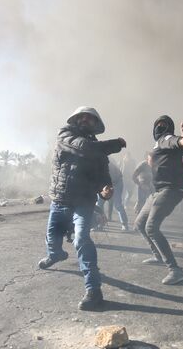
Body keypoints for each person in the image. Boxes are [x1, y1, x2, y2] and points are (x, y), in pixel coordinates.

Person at [38, 106, 126, 310]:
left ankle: (94, 291)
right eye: (82, 117)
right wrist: (115, 144)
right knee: (52, 237)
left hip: (83, 203)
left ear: (96, 125)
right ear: (76, 120)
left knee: (82, 239)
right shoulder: (65, 135)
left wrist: (105, 190)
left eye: (91, 118)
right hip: (60, 200)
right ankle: (55, 254)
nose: (86, 120)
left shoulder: (99, 152)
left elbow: (103, 178)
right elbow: (82, 147)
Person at [134, 116, 183, 285]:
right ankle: (158, 255)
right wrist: (182, 139)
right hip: (158, 191)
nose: (160, 127)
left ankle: (175, 270)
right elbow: (179, 146)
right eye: (158, 125)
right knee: (139, 223)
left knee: (151, 228)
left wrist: (181, 139)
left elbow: (174, 142)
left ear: (169, 128)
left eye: (164, 125)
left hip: (170, 190)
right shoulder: (158, 144)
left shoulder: (165, 138)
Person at [96, 158, 130, 230]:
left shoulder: (105, 164)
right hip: (106, 183)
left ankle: (125, 224)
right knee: (99, 204)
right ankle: (99, 224)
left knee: (117, 204)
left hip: (116, 183)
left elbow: (112, 178)